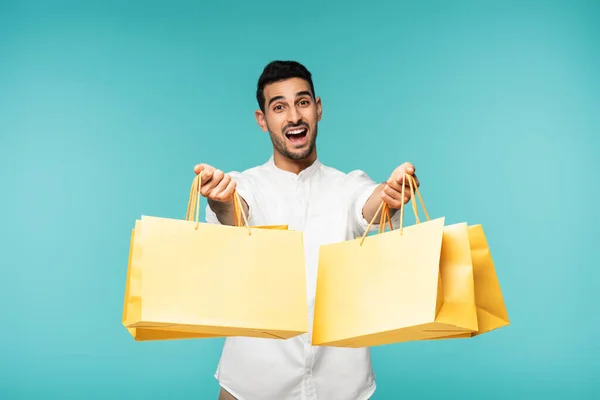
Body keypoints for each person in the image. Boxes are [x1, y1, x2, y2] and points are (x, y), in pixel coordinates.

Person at [194, 60, 419, 400]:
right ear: (263, 120)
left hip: (341, 385)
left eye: (302, 102)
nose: (293, 116)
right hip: (251, 384)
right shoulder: (246, 184)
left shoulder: (347, 184)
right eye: (278, 107)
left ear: (318, 109)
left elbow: (368, 204)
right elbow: (235, 213)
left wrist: (391, 193)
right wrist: (221, 200)